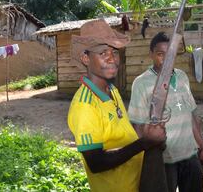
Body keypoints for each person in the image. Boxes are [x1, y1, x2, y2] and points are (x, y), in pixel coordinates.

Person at [67, 19, 166, 192]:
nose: (112, 59)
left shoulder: (111, 90)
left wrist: (146, 133)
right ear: (85, 58)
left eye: (114, 51)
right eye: (103, 53)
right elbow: (96, 163)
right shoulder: (85, 106)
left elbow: (122, 133)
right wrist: (144, 143)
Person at [128, 31, 203, 192]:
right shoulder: (141, 83)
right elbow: (137, 126)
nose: (166, 59)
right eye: (160, 54)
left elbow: (191, 115)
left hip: (190, 154)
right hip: (164, 159)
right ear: (151, 54)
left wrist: (202, 146)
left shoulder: (182, 77)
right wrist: (149, 158)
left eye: (170, 54)